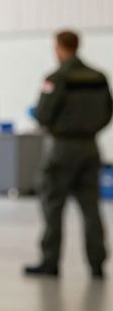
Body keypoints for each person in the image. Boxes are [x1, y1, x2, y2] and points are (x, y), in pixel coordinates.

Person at [24, 29, 113, 278]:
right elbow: (108, 112)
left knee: (53, 205)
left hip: (62, 148)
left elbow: (43, 114)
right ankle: (97, 264)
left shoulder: (56, 78)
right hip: (90, 147)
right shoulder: (99, 77)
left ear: (60, 47)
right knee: (91, 208)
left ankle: (50, 262)